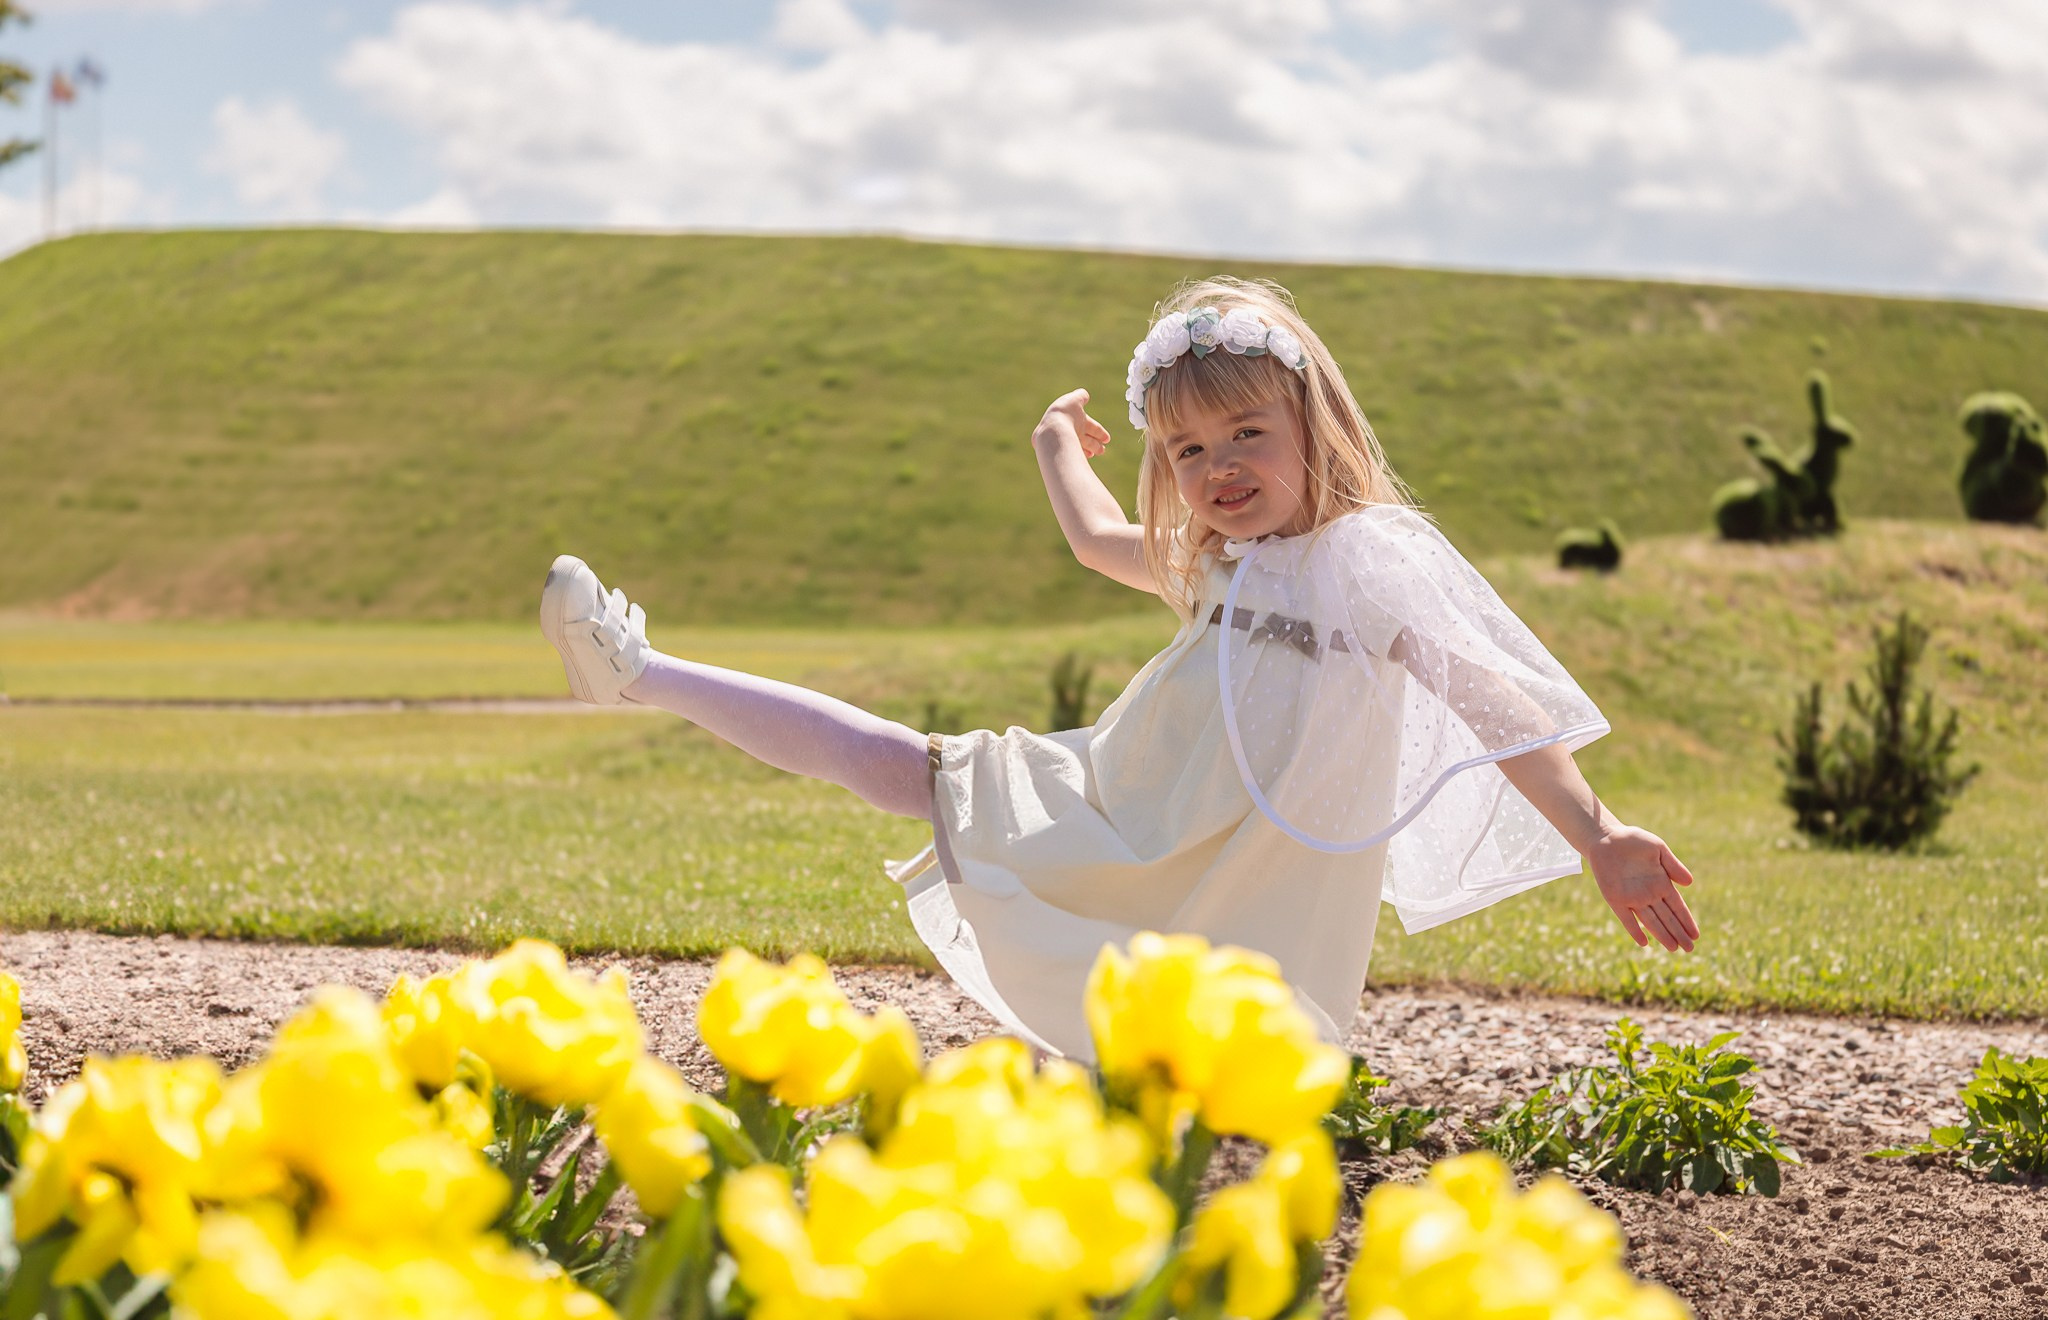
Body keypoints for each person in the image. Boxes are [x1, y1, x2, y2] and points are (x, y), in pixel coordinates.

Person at [541, 276, 1698, 1063]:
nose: (1218, 468)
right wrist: (1051, 445)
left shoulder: (1361, 566)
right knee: (904, 766)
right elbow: (1100, 543)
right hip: (1121, 813)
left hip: (1226, 877)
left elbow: (1484, 693)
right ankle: (639, 668)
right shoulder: (1224, 566)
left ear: (1314, 425)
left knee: (1179, 1057)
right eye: (1188, 450)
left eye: (1247, 432)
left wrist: (1593, 831)